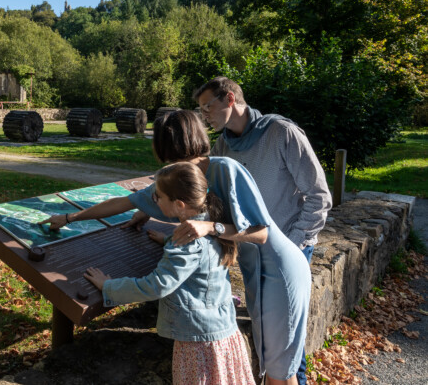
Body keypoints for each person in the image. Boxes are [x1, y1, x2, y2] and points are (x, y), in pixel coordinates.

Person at [48, 110, 311, 384]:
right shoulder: (179, 182)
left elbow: (261, 233)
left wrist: (210, 228)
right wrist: (71, 217)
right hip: (252, 275)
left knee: (281, 370)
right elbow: (127, 202)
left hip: (279, 270)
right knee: (270, 363)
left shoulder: (221, 171)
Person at [193, 76, 331, 385]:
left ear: (230, 99)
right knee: (268, 338)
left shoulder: (281, 132)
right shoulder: (224, 144)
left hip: (288, 253)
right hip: (252, 255)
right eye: (200, 110)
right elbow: (207, 186)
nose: (204, 116)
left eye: (207, 107)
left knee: (287, 345)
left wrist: (292, 248)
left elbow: (319, 196)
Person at [84, 162, 255, 385]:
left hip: (198, 342)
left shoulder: (186, 244)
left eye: (158, 197)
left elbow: (155, 286)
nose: (154, 202)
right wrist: (168, 239)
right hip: (221, 330)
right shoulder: (211, 220)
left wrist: (108, 286)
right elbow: (202, 259)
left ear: (179, 204)